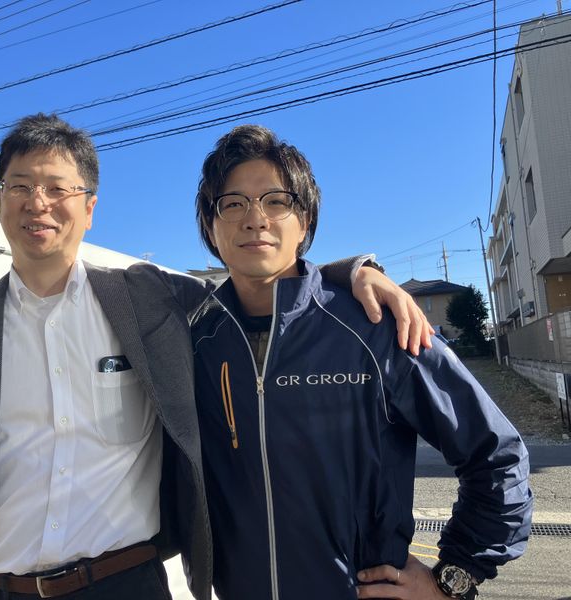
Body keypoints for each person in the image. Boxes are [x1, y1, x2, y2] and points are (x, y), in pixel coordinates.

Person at [0, 114, 430, 600]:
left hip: (126, 583)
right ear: (0, 198)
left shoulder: (145, 298)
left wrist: (353, 272)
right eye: (20, 186)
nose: (38, 203)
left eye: (57, 188)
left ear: (89, 207)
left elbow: (257, 279)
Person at [189, 124, 533, 600]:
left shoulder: (375, 324)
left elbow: (496, 455)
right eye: (233, 204)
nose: (255, 219)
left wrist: (455, 577)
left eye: (276, 201)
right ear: (211, 225)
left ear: (304, 221)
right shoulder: (197, 343)